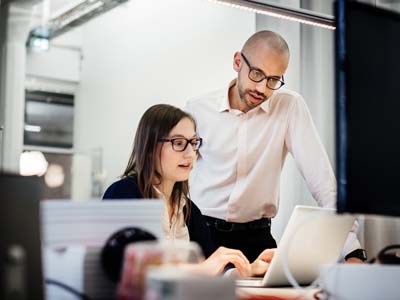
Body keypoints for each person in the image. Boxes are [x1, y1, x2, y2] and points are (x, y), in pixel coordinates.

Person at [185, 30, 366, 263]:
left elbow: (324, 185)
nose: (262, 89)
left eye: (273, 80)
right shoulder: (198, 108)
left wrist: (352, 250)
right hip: (202, 237)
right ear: (237, 61)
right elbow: (174, 178)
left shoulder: (289, 107)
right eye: (257, 74)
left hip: (257, 242)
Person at [103, 104, 274, 277]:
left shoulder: (189, 210)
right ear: (149, 147)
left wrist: (249, 268)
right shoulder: (123, 193)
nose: (191, 154)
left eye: (193, 143)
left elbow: (212, 268)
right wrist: (204, 268)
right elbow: (127, 268)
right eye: (178, 143)